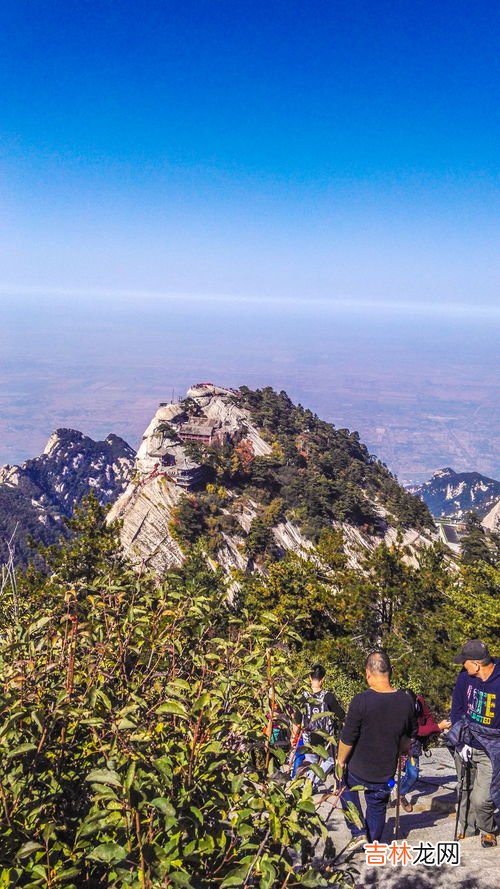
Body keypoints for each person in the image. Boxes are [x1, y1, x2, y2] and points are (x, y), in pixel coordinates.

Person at [336, 650, 417, 846]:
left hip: (358, 768)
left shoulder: (361, 701)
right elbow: (408, 738)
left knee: (343, 785)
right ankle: (373, 843)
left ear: (368, 673)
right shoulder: (406, 701)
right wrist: (400, 751)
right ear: (391, 671)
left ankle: (358, 831)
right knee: (377, 806)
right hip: (385, 771)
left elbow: (348, 738)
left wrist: (340, 761)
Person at [449, 639, 500, 849]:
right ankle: (467, 829)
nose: (463, 666)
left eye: (465, 662)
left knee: (482, 798)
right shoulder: (464, 678)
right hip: (467, 743)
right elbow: (457, 709)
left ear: (477, 663)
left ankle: (488, 829)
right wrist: (461, 743)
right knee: (464, 788)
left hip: (491, 748)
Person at [287, 663, 345, 789]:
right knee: (329, 761)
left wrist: (293, 736)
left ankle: (308, 786)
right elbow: (341, 714)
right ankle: (313, 783)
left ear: (309, 677)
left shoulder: (303, 697)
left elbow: (297, 720)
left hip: (309, 736)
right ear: (323, 679)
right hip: (325, 737)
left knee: (311, 762)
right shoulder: (328, 697)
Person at [397, 690, 451, 812]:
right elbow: (417, 730)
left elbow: (427, 716)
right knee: (405, 773)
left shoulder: (420, 701)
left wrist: (432, 730)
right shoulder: (399, 710)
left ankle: (400, 793)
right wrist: (437, 727)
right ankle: (392, 792)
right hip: (401, 744)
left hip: (414, 744)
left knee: (412, 774)